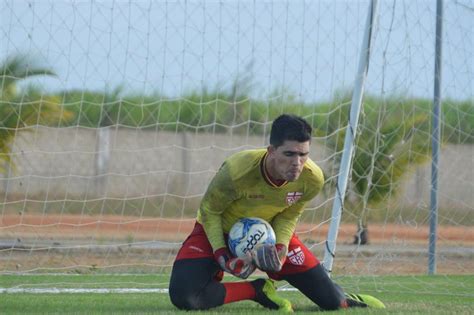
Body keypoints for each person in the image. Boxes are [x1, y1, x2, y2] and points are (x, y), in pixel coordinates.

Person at [168, 114, 385, 311]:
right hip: (216, 230)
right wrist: (222, 255)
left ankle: (342, 295)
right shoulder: (236, 171)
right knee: (185, 297)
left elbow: (289, 215)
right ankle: (257, 290)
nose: (297, 163)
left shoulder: (312, 179)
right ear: (271, 151)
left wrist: (280, 249)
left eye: (303, 155)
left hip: (272, 235)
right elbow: (209, 212)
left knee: (334, 303)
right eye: (289, 154)